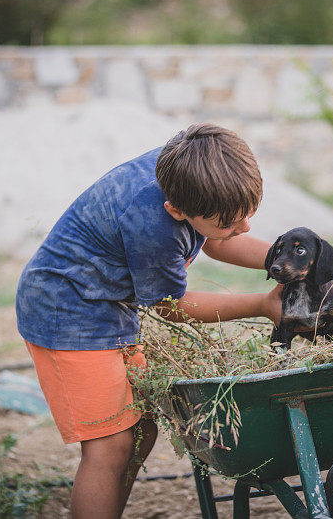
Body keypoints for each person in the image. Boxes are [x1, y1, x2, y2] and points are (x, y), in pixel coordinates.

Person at [15, 123, 283, 518]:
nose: (244, 227)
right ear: (176, 210)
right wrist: (263, 303)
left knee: (140, 434)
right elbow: (171, 306)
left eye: (248, 215)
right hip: (67, 314)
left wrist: (292, 265)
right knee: (110, 445)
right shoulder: (153, 225)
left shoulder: (194, 172)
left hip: (107, 307)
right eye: (230, 221)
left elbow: (219, 239)